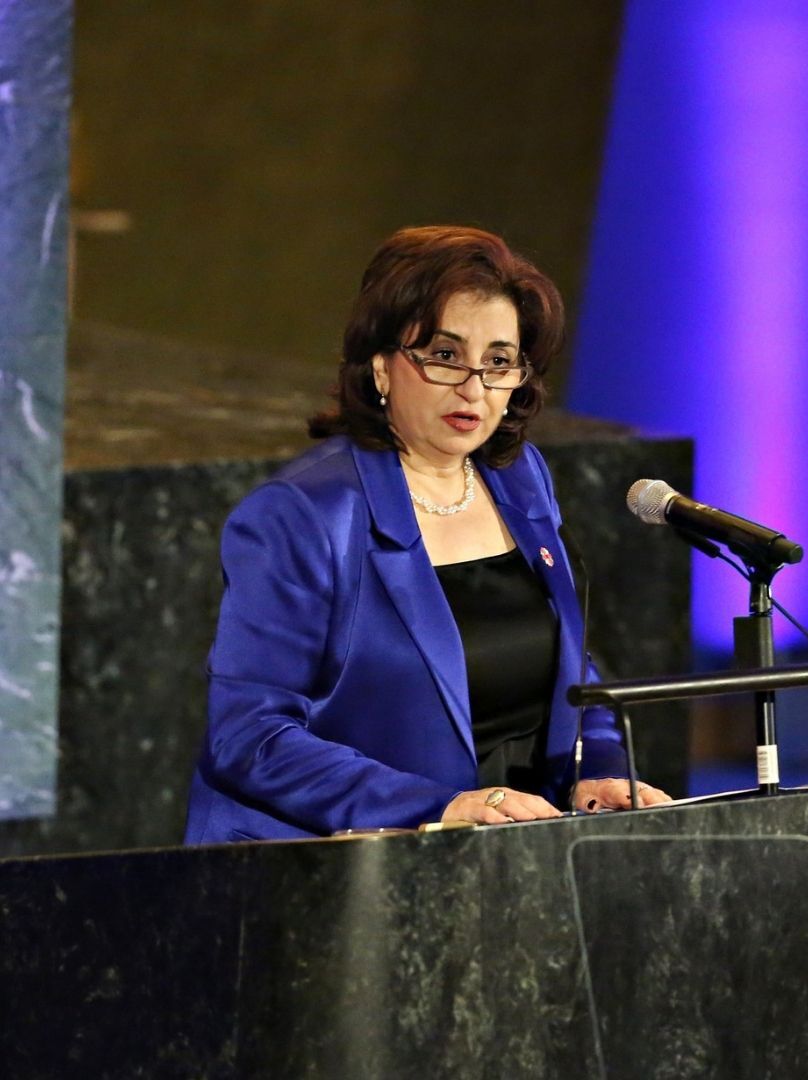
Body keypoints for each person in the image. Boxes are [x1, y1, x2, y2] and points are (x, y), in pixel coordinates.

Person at [184, 225, 670, 843]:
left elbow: (570, 666)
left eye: (498, 362)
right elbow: (250, 736)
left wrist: (597, 770)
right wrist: (440, 808)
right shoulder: (302, 515)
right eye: (444, 356)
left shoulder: (518, 478)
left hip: (514, 852)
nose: (473, 388)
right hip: (341, 864)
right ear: (382, 367)